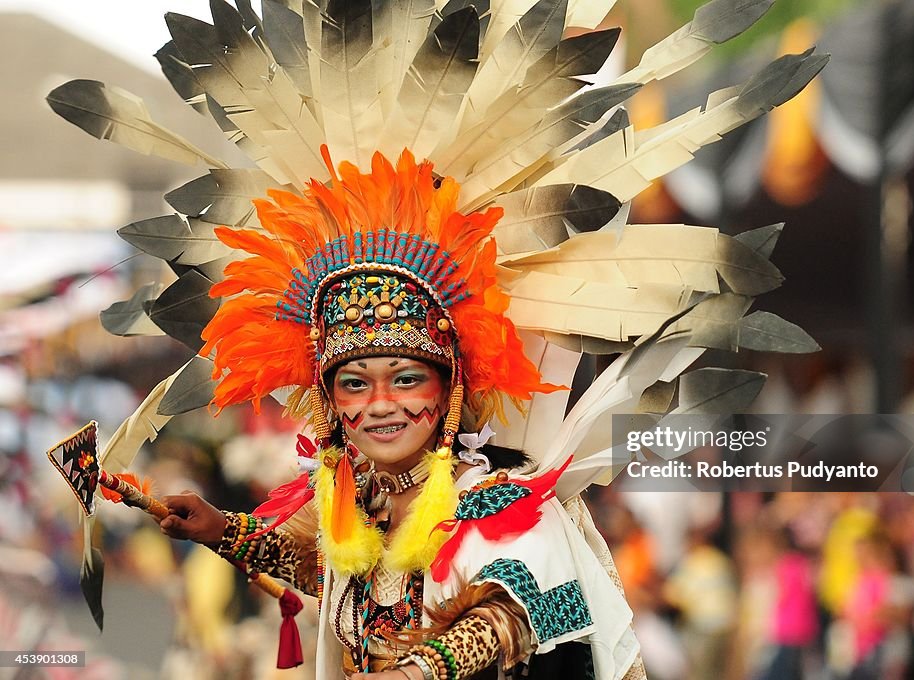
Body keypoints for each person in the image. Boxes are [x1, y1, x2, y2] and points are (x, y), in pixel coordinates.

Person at [47, 1, 825, 677]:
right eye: (354, 383)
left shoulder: (503, 502)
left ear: (451, 388)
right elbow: (333, 572)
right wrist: (225, 529)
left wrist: (426, 668)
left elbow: (545, 608)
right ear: (327, 402)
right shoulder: (362, 509)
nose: (380, 405)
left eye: (405, 379)